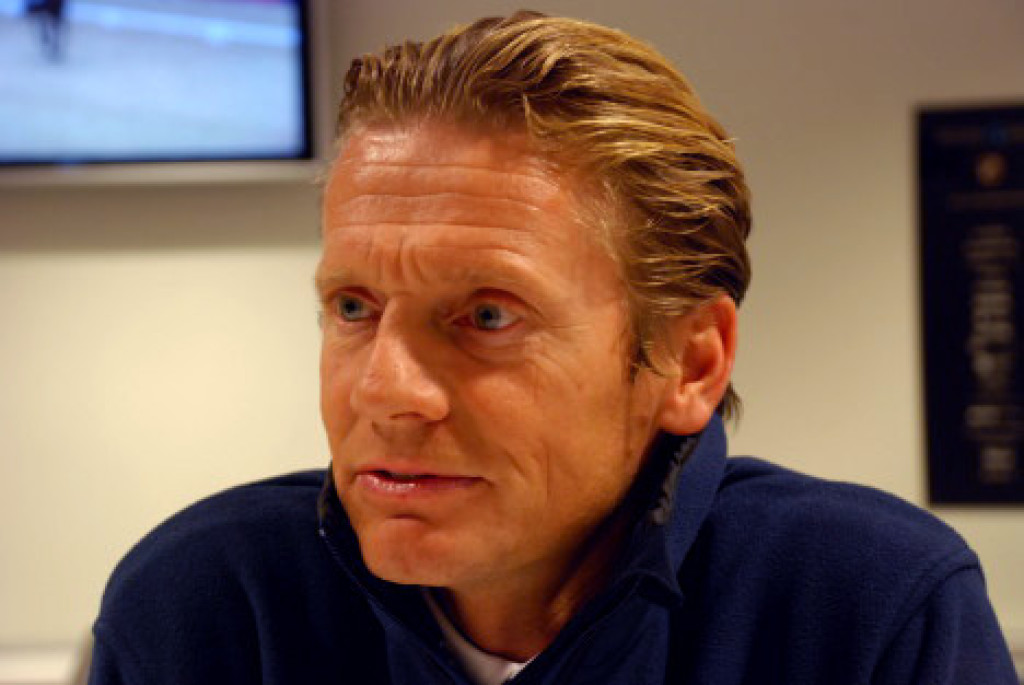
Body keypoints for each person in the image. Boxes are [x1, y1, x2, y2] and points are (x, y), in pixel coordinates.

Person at [88, 11, 1018, 685]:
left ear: (690, 363)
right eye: (355, 307)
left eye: (488, 316)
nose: (386, 390)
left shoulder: (868, 610)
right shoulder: (204, 607)